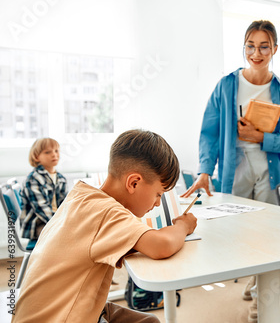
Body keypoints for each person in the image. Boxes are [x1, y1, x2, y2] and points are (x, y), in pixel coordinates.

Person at [13, 129, 197, 323]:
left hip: (54, 310)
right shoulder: (107, 212)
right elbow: (162, 245)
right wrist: (183, 225)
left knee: (149, 321)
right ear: (134, 183)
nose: (158, 203)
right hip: (60, 317)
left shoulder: (81, 195)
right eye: (158, 194)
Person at [181, 19, 280, 205]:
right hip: (235, 165)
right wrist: (204, 171)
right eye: (250, 46)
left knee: (267, 225)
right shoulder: (226, 85)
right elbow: (210, 134)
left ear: (275, 49)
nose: (256, 54)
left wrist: (260, 137)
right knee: (235, 224)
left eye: (264, 47)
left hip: (270, 169)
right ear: (244, 47)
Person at [20, 137, 67, 250]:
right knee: (66, 238)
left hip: (54, 220)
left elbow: (66, 204)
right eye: (47, 152)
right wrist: (61, 224)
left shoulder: (60, 178)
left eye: (56, 151)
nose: (54, 155)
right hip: (38, 224)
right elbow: (42, 209)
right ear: (36, 157)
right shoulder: (33, 179)